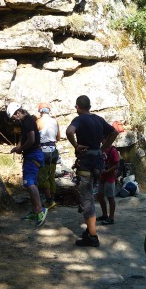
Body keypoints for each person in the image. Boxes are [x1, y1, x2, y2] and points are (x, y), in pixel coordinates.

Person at [66, 95, 119, 247]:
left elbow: (69, 132)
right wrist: (102, 148)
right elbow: (114, 132)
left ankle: (93, 236)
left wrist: (76, 145)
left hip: (86, 164)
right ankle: (90, 230)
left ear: (77, 107)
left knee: (87, 199)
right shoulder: (98, 119)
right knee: (88, 196)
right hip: (98, 164)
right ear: (89, 105)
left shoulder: (79, 119)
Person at [6, 102, 47, 227]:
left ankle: (40, 210)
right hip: (32, 154)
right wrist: (17, 148)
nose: (13, 119)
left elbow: (32, 139)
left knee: (29, 182)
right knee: (28, 182)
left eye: (13, 116)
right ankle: (35, 210)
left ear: (17, 112)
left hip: (34, 154)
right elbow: (23, 138)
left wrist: (21, 149)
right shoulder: (24, 122)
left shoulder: (28, 121)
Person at [36, 102, 61, 210]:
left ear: (40, 111)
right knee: (51, 175)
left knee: (42, 176)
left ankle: (49, 201)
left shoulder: (38, 121)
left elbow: (35, 138)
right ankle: (52, 198)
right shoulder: (55, 121)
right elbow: (58, 138)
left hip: (43, 151)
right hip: (54, 151)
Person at [96, 142, 120, 225]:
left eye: (102, 138)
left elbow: (117, 165)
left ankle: (111, 218)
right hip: (102, 176)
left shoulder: (113, 150)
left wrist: (107, 171)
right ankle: (105, 215)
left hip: (110, 177)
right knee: (100, 195)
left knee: (110, 197)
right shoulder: (101, 149)